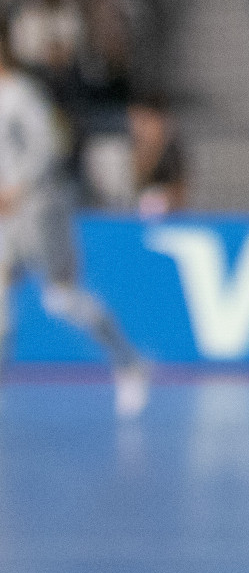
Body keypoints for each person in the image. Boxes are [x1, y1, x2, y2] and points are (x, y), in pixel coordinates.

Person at [0, 36, 148, 417]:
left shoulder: (23, 96)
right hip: (7, 216)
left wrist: (20, 187)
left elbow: (50, 144)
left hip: (40, 208)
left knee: (60, 297)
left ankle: (128, 362)